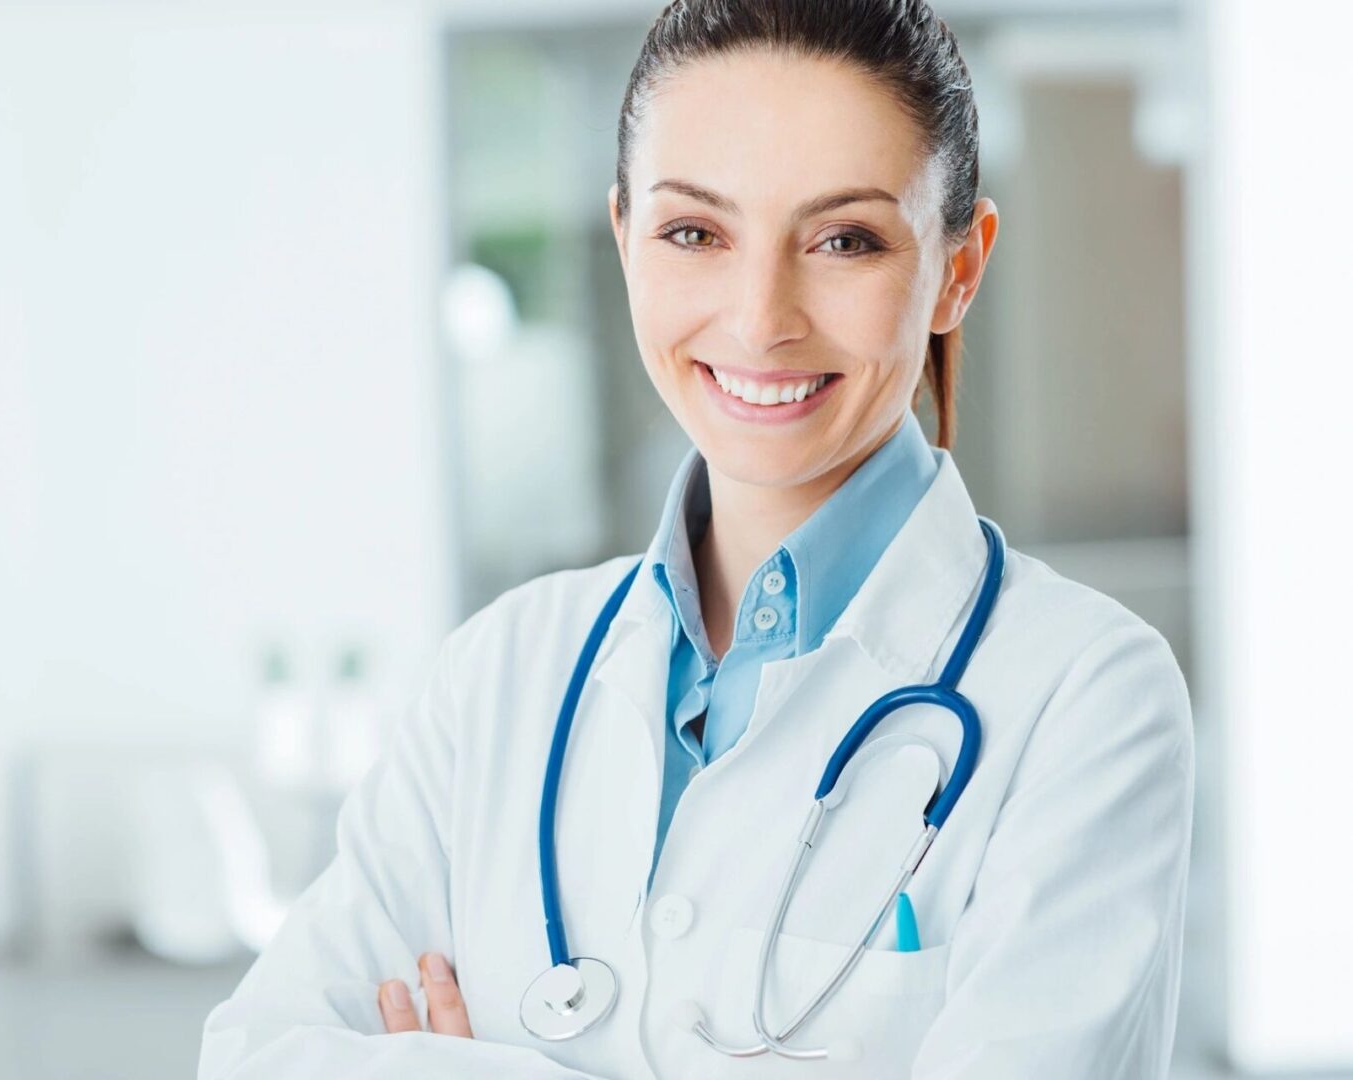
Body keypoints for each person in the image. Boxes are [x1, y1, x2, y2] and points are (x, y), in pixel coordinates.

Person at [198, 1, 1195, 1076]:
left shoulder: (1087, 700)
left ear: (958, 266)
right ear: (625, 235)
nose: (760, 316)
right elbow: (257, 1054)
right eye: (694, 233)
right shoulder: (503, 672)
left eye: (841, 239)